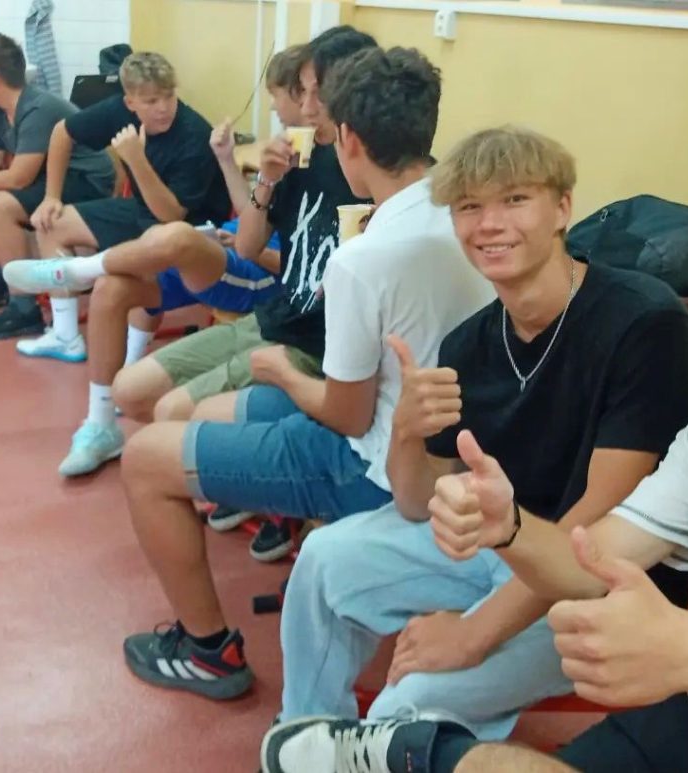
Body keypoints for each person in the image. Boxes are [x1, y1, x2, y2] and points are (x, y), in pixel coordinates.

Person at [263, 148, 688, 773]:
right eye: (469, 207)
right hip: (526, 553)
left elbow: (595, 535)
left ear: (562, 209)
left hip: (595, 594)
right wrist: (406, 433)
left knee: (407, 708)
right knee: (323, 558)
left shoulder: (642, 320)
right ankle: (303, 739)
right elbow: (421, 503)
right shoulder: (469, 343)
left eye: (515, 200)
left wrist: (473, 633)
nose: (490, 224)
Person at [118, 45, 497, 703]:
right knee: (201, 411)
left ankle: (207, 651)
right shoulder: (469, 215)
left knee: (145, 458)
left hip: (375, 463)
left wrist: (281, 374)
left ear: (347, 139)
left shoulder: (364, 256)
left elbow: (348, 416)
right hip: (453, 446)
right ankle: (270, 528)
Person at [0, 46, 305, 479]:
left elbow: (294, 263)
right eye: (151, 100)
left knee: (175, 234)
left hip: (255, 275)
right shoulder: (289, 153)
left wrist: (248, 246)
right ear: (131, 101)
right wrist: (229, 161)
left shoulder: (201, 136)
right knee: (112, 289)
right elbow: (250, 214)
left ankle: (83, 269)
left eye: (278, 97)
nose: (272, 107)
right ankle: (100, 426)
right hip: (221, 245)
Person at [109, 26, 377, 428]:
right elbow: (248, 246)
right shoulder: (303, 153)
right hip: (276, 318)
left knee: (171, 412)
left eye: (316, 94)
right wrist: (266, 180)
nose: (305, 108)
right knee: (129, 390)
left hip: (316, 343)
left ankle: (212, 449)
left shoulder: (374, 174)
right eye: (301, 92)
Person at [0, 52, 230, 355]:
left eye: (168, 96)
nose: (163, 108)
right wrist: (51, 197)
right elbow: (61, 132)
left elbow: (171, 215)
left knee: (140, 266)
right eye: (151, 101)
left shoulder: (194, 134)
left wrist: (136, 159)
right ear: (130, 102)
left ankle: (133, 358)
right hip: (141, 210)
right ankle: (65, 337)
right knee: (51, 223)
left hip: (191, 228)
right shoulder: (117, 111)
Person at [0, 34, 114, 340]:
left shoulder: (39, 108)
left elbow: (18, 178)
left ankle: (23, 308)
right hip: (48, 178)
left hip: (85, 180)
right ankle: (5, 276)